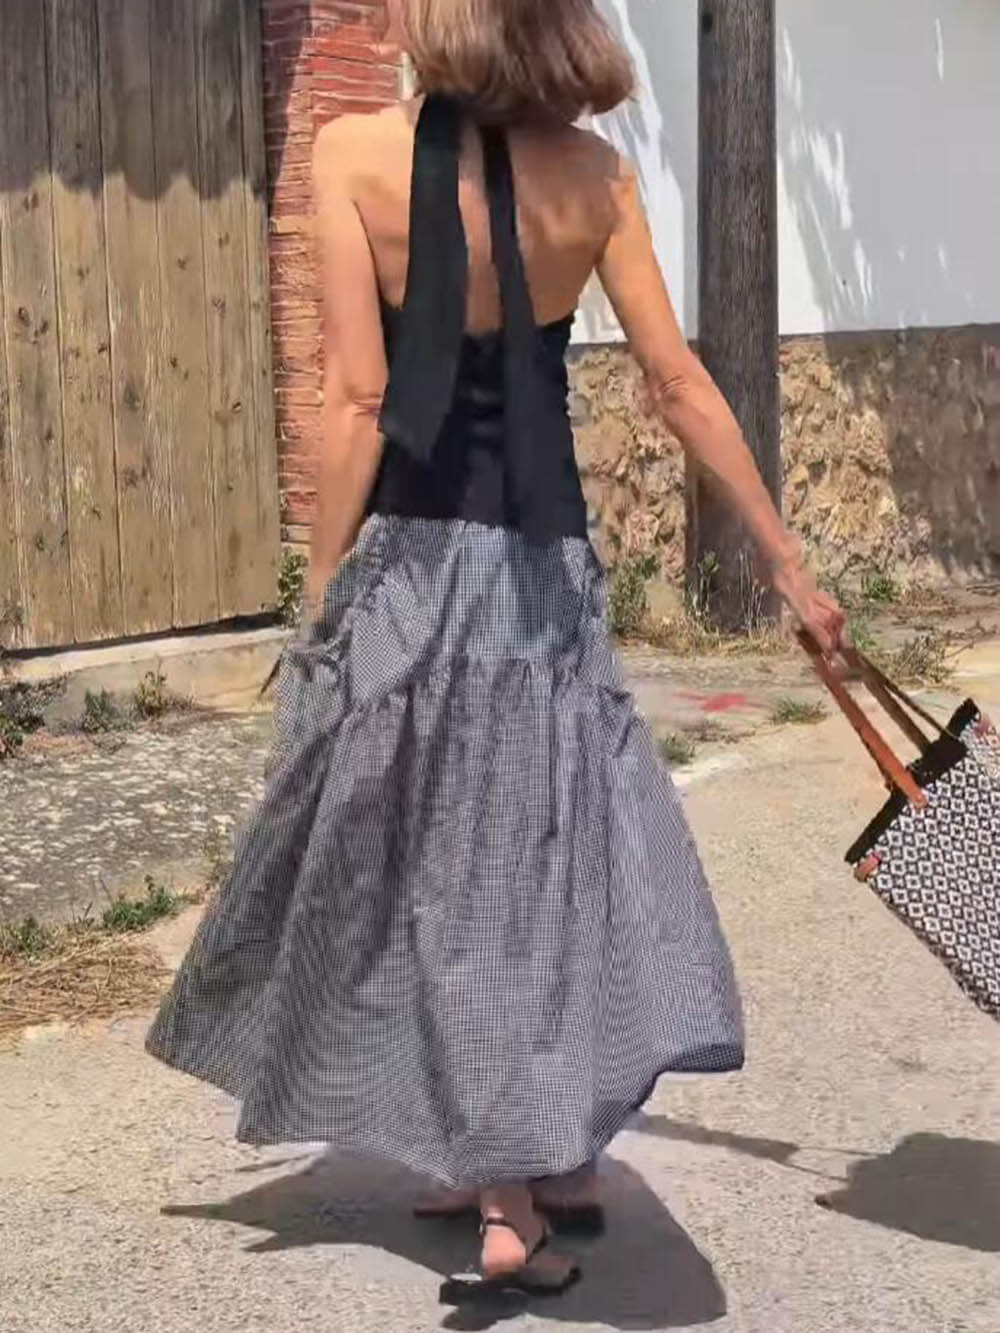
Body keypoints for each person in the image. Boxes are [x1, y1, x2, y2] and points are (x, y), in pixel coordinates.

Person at [148, 0, 845, 1298]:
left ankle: (507, 1193)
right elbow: (677, 384)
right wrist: (787, 564)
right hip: (543, 575)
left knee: (441, 869)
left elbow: (358, 398)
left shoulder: (352, 155)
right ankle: (547, 1152)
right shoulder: (594, 177)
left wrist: (322, 590)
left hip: (419, 569)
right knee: (544, 857)